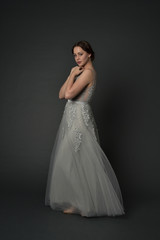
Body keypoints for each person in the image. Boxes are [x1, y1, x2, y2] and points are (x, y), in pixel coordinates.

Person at [45, 40, 125, 217]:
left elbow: (68, 94)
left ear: (89, 54)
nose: (77, 58)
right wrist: (71, 73)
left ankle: (87, 204)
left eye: (80, 54)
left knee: (73, 159)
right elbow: (60, 95)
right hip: (72, 117)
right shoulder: (78, 72)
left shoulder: (88, 73)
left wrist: (73, 75)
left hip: (80, 119)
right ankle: (78, 202)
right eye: (74, 55)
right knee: (74, 161)